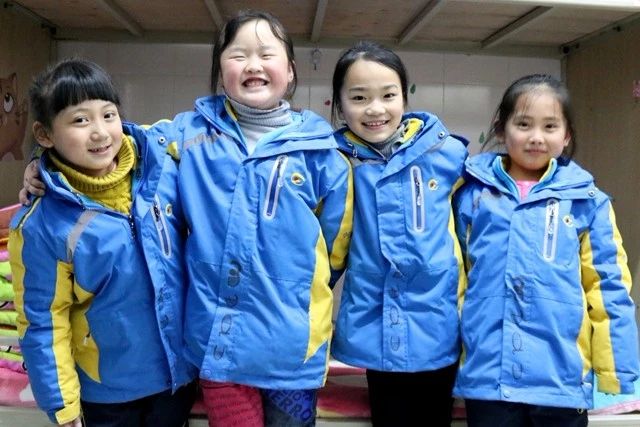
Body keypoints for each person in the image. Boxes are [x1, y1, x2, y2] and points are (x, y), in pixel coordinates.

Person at [151, 10, 353, 427]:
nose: (253, 65)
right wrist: (41, 165)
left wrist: (293, 288)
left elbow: (335, 247)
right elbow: (116, 146)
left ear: (290, 71)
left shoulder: (322, 153)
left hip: (292, 350)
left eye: (266, 54)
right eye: (238, 55)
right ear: (220, 70)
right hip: (218, 343)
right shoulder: (187, 135)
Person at [9, 58, 196, 427]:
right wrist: (61, 405)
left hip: (177, 380)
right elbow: (43, 323)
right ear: (45, 135)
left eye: (108, 115)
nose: (100, 132)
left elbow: (206, 132)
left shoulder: (161, 170)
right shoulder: (41, 224)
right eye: (80, 120)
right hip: (106, 395)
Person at [452, 74, 640, 427]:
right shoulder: (473, 197)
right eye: (524, 124)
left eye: (550, 126)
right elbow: (455, 279)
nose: (536, 137)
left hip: (561, 379)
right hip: (488, 378)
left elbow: (608, 288)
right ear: (501, 129)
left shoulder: (588, 203)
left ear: (566, 135)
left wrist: (617, 370)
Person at [329, 41, 467, 427]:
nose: (376, 109)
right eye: (359, 97)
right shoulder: (336, 162)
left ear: (404, 97)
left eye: (388, 95)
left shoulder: (446, 155)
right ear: (339, 104)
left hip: (439, 322)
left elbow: (474, 233)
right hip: (376, 324)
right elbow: (327, 249)